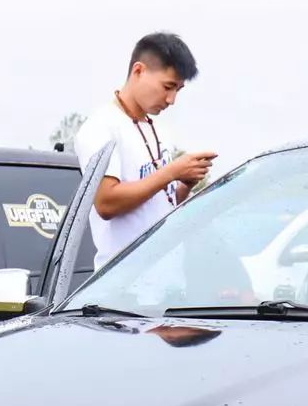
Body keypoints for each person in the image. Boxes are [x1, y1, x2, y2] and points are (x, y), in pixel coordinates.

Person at [73, 32, 215, 266]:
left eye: (178, 90)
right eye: (168, 86)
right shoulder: (101, 127)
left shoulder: (159, 129)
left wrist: (186, 182)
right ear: (138, 71)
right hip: (124, 279)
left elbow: (162, 203)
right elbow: (106, 203)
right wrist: (172, 172)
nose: (171, 99)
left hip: (166, 275)